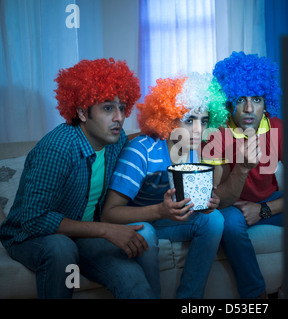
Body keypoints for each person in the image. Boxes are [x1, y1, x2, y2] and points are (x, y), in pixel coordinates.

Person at [0, 58, 159, 299]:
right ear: (83, 113)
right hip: (30, 237)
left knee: (133, 282)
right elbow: (33, 220)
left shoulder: (114, 142)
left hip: (84, 235)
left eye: (122, 107)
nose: (119, 117)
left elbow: (133, 140)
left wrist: (163, 129)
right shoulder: (57, 149)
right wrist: (106, 230)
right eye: (108, 108)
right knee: (60, 248)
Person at [101, 72, 229, 298]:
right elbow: (108, 214)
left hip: (166, 220)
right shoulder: (141, 151)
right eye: (189, 120)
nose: (199, 130)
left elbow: (187, 205)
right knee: (146, 233)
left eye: (204, 120)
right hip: (140, 220)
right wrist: (160, 210)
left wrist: (206, 203)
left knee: (215, 218)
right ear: (169, 118)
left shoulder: (192, 150)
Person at [202, 51, 284, 299]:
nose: (249, 109)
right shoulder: (216, 132)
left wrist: (265, 209)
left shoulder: (278, 127)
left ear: (266, 100)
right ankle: (256, 297)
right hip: (232, 207)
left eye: (257, 99)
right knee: (227, 220)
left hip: (269, 201)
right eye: (240, 99)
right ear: (228, 101)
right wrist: (242, 168)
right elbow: (218, 201)